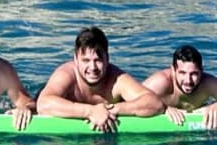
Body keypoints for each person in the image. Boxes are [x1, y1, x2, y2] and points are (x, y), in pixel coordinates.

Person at [37, 26, 165, 131]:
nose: (92, 67)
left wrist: (111, 110)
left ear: (107, 59)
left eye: (98, 60)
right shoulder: (67, 74)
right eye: (86, 60)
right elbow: (43, 104)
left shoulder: (116, 79)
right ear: (75, 59)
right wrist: (90, 111)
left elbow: (155, 103)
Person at [143, 44, 217, 129]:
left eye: (194, 74)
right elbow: (133, 101)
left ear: (201, 71)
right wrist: (162, 108)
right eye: (182, 73)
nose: (188, 81)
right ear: (173, 70)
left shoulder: (207, 83)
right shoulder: (160, 83)